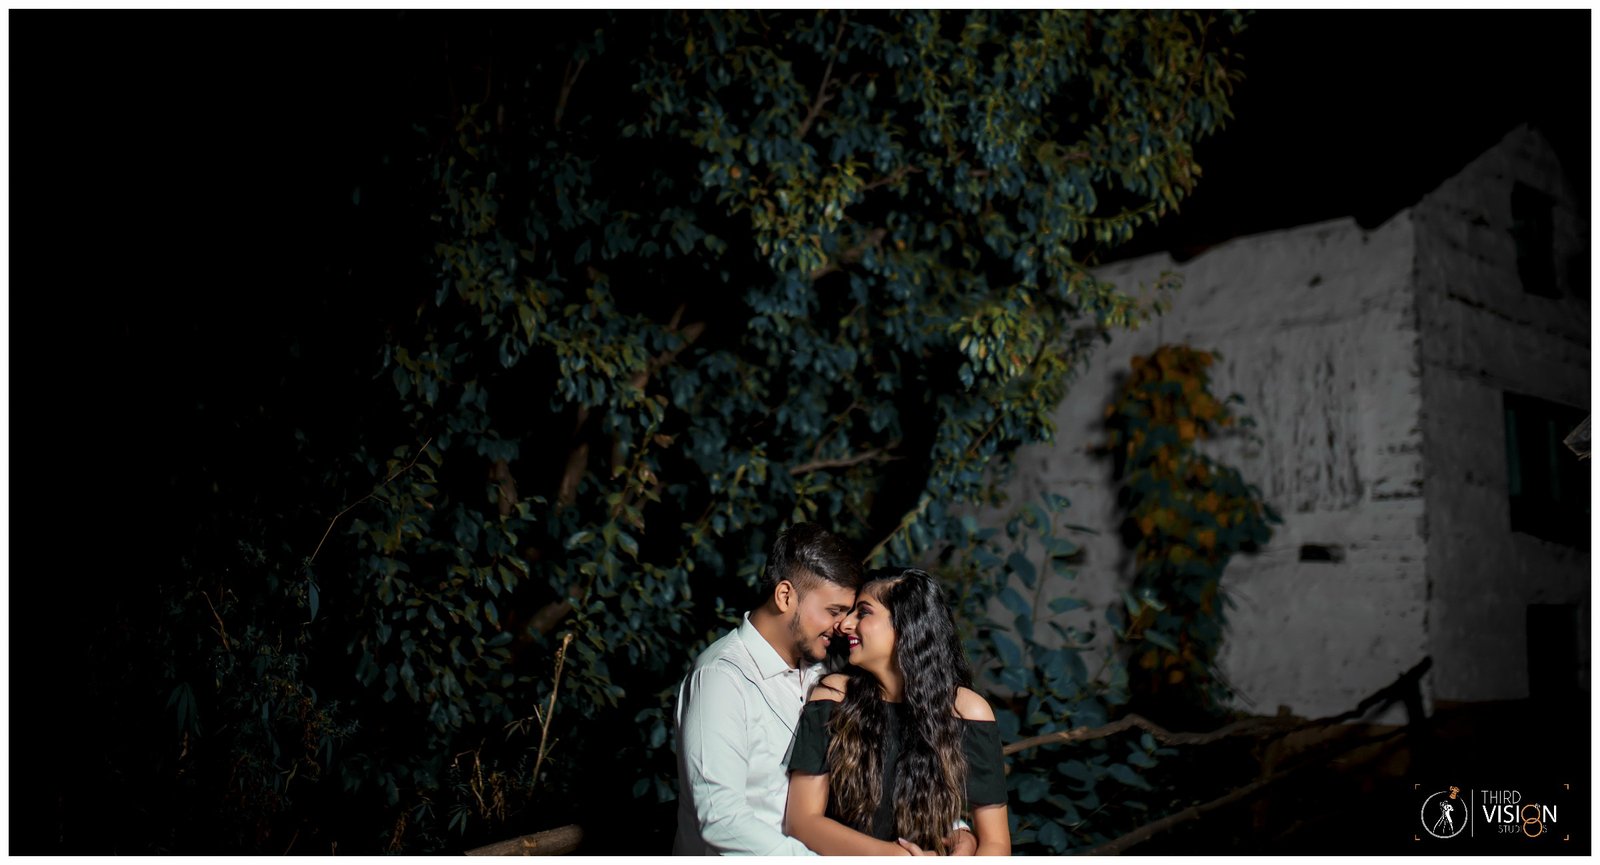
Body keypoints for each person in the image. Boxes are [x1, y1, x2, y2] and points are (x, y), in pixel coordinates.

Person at [784, 567, 1011, 855]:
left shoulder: (968, 712)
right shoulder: (834, 697)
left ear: (907, 625)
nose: (845, 624)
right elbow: (802, 821)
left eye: (863, 613)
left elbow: (996, 843)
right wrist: (894, 855)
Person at [671, 522, 864, 855]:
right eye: (834, 611)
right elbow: (721, 818)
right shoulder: (720, 679)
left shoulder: (822, 673)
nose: (843, 625)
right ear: (785, 596)